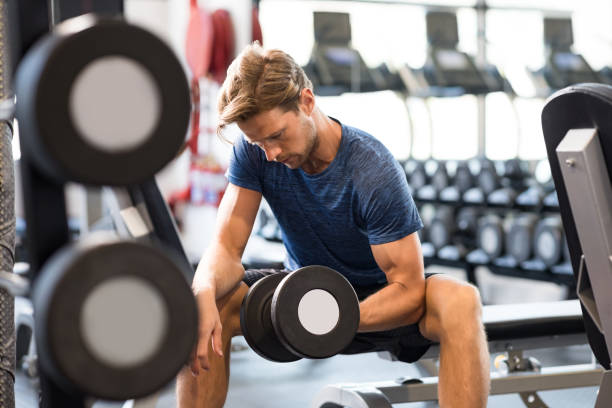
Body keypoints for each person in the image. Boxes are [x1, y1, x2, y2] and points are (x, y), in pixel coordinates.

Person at [176, 43, 490, 408]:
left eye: (276, 136)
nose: (271, 153)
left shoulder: (372, 170)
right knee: (207, 302)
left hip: (378, 305)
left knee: (461, 300)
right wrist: (201, 291)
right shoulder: (256, 153)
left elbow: (407, 288)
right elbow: (227, 248)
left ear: (306, 101)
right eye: (258, 142)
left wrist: (335, 315)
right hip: (300, 295)